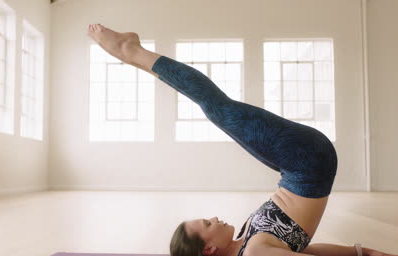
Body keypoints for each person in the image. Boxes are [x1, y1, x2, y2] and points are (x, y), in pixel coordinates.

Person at [86, 24, 395, 256]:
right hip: (306, 163)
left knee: (214, 110)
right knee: (217, 108)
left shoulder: (244, 243)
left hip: (296, 169)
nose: (213, 218)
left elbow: (306, 251)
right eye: (207, 224)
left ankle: (137, 58)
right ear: (208, 249)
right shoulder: (255, 253)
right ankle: (130, 50)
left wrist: (361, 252)